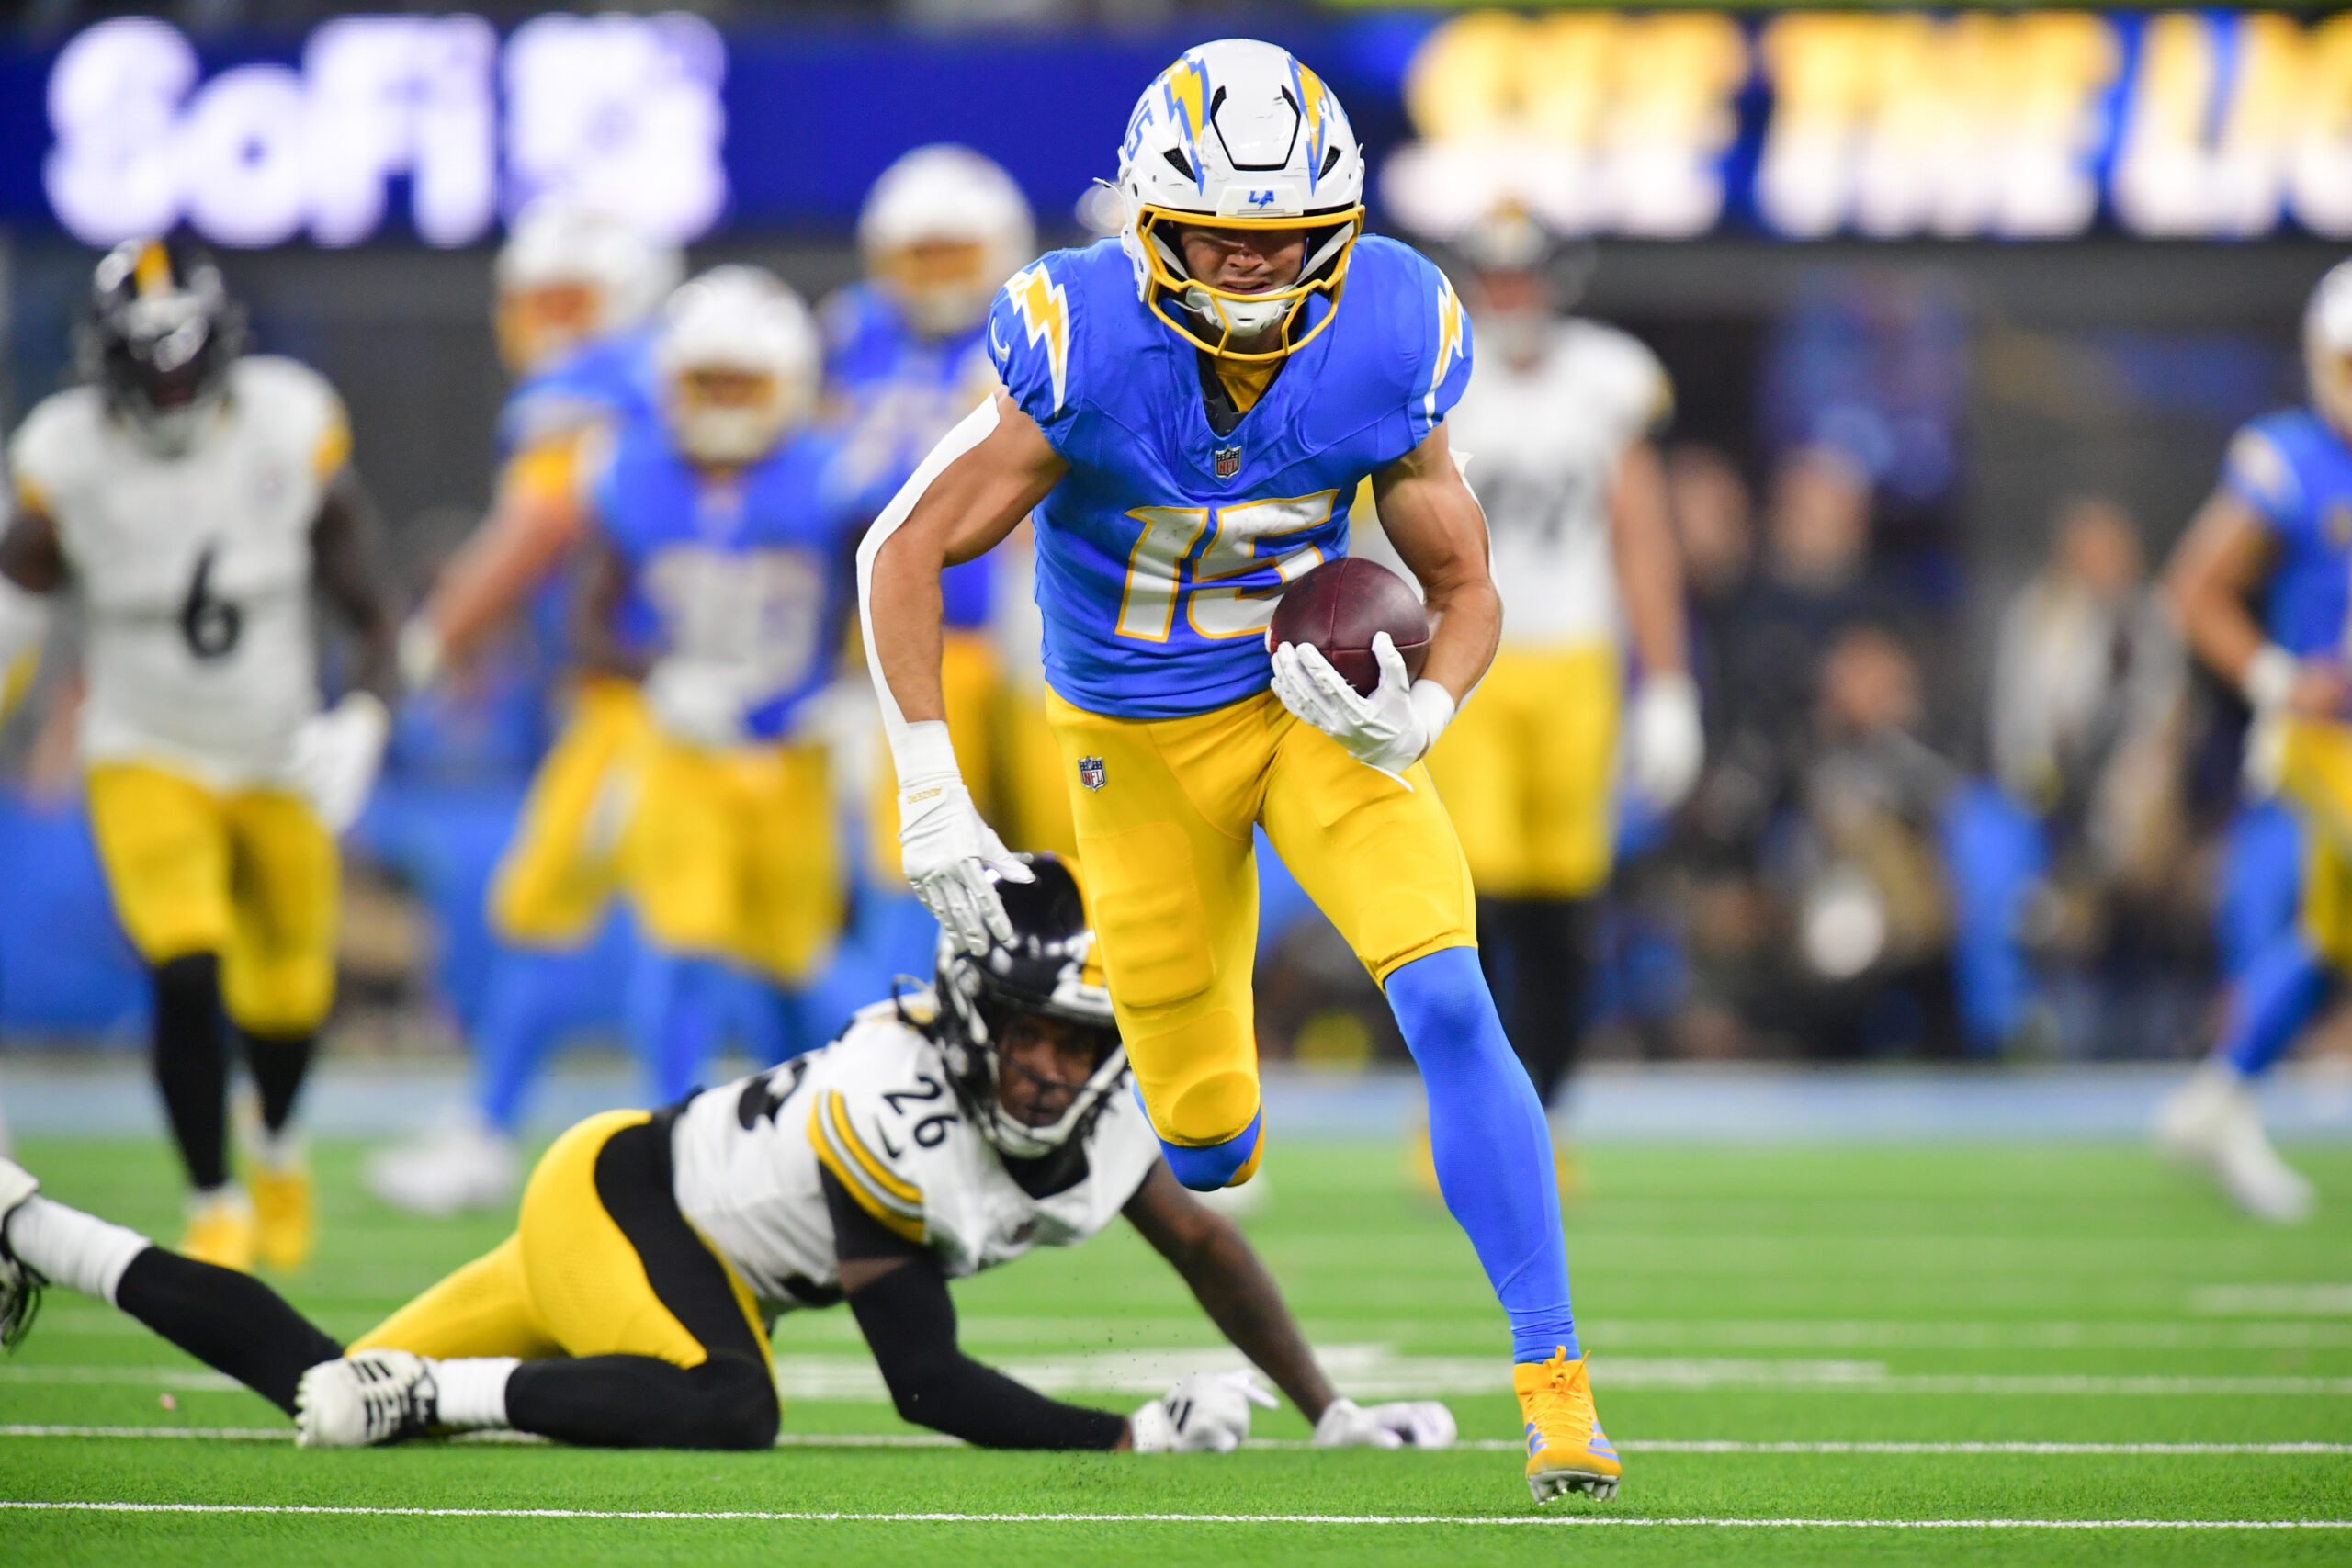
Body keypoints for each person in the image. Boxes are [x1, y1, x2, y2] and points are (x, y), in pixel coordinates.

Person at [856, 40, 1617, 1504]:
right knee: (1205, 1143)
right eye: (1216, 233)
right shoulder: (1082, 336)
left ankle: (1557, 1386)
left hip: (1307, 714)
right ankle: (1209, 1118)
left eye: (1285, 234)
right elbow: (902, 546)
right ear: (1148, 221)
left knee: (1449, 992)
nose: (1254, 264)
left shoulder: (1389, 325)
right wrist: (931, 785)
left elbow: (1465, 582)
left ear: (1340, 229)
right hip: (1132, 748)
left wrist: (1427, 711)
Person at [0, 855, 1453, 1457]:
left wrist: (1326, 1407)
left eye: (1082, 1044)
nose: (1055, 1070)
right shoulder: (895, 1103)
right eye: (1032, 1032)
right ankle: (433, 1393)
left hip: (664, 1224)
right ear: (971, 1008)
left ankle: (29, 1223)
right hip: (631, 1202)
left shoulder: (1103, 1097)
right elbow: (926, 1380)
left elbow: (1200, 1238)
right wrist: (1126, 1434)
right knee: (733, 1402)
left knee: (321, 1384)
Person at [0, 239, 397, 1271]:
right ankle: (213, 1198)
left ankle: (275, 1141)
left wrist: (364, 715)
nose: (168, 385)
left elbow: (370, 605)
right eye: (145, 362)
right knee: (184, 964)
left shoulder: (288, 421)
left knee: (290, 999)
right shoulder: (66, 454)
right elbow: (18, 605)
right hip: (146, 746)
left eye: (182, 359)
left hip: (275, 750)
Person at [368, 202, 681, 1215]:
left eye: (571, 301)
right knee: (590, 914)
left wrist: (429, 641)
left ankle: (648, 1141)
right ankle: (511, 1125)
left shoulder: (593, 385)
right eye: (538, 302)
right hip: (647, 695)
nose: (551, 325)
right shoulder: (664, 379)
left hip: (652, 703)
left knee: (637, 922)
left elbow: (536, 526)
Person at [1407, 209, 1701, 1155]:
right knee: (1467, 896)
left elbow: (1640, 535)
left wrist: (1667, 680)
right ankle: (1465, 1105)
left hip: (1576, 659)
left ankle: (1549, 1109)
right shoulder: (1439, 375)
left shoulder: (1607, 377)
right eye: (1495, 276)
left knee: (1563, 899)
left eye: (1523, 274)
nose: (1509, 294)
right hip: (1467, 660)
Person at [571, 265, 864, 1098]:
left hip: (796, 744)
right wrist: (660, 678)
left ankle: (839, 1116)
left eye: (745, 384)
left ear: (790, 383)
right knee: (683, 935)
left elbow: (893, 588)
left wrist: (859, 691)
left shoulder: (837, 474)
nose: (726, 403)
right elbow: (587, 624)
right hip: (687, 745)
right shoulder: (629, 470)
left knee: (797, 954)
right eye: (709, 383)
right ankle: (673, 1128)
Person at [826, 146, 1065, 987]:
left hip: (1033, 628)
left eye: (953, 254)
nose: (934, 277)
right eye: (919, 255)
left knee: (1070, 835)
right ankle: (906, 1024)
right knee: (916, 850)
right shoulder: (852, 338)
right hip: (918, 639)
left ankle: (1097, 1017)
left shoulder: (1038, 328)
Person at [2150, 261, 2352, 1224]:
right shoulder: (2294, 459)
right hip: (2324, 738)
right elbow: (2194, 588)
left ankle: (2221, 1094)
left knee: (2327, 937)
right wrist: (2276, 676)